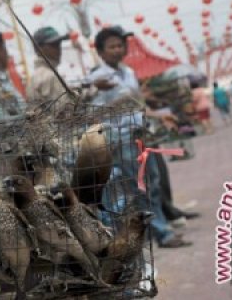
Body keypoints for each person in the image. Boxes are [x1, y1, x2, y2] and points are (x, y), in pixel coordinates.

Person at [88, 26, 191, 249]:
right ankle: (160, 233)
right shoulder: (98, 78)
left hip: (140, 134)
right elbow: (94, 113)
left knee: (152, 183)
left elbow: (137, 104)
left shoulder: (128, 72)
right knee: (139, 187)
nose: (118, 50)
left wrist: (159, 116)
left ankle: (154, 229)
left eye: (120, 45)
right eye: (112, 46)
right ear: (101, 52)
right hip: (121, 139)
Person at [26, 26, 69, 104]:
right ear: (38, 48)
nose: (59, 49)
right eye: (54, 45)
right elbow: (66, 111)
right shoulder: (49, 76)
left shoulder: (40, 75)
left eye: (59, 44)